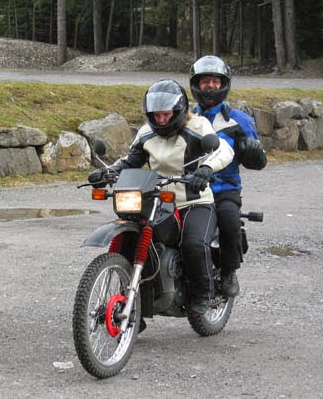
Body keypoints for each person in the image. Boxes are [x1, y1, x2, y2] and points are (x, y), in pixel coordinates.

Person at [88, 79, 234, 317]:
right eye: (156, 115)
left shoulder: (198, 126)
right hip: (157, 200)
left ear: (178, 111)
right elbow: (130, 160)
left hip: (193, 201)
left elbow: (223, 150)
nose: (161, 120)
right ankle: (135, 309)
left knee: (193, 244)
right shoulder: (146, 133)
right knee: (134, 242)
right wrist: (107, 172)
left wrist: (206, 169)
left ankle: (203, 294)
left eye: (166, 114)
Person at [189, 55, 267, 298]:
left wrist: (253, 152)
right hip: (191, 188)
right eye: (205, 82)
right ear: (196, 85)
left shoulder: (239, 120)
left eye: (215, 81)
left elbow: (259, 160)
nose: (210, 86)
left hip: (225, 189)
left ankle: (228, 270)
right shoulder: (187, 118)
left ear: (224, 84)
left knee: (229, 221)